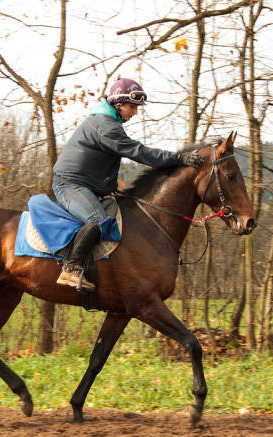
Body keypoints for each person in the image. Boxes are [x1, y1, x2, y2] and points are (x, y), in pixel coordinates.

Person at [52, 78, 204, 292]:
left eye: (136, 107)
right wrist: (179, 158)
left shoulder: (108, 123)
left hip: (86, 185)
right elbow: (140, 153)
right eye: (131, 107)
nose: (135, 112)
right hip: (69, 185)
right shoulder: (105, 126)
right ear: (117, 104)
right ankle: (71, 268)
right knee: (98, 220)